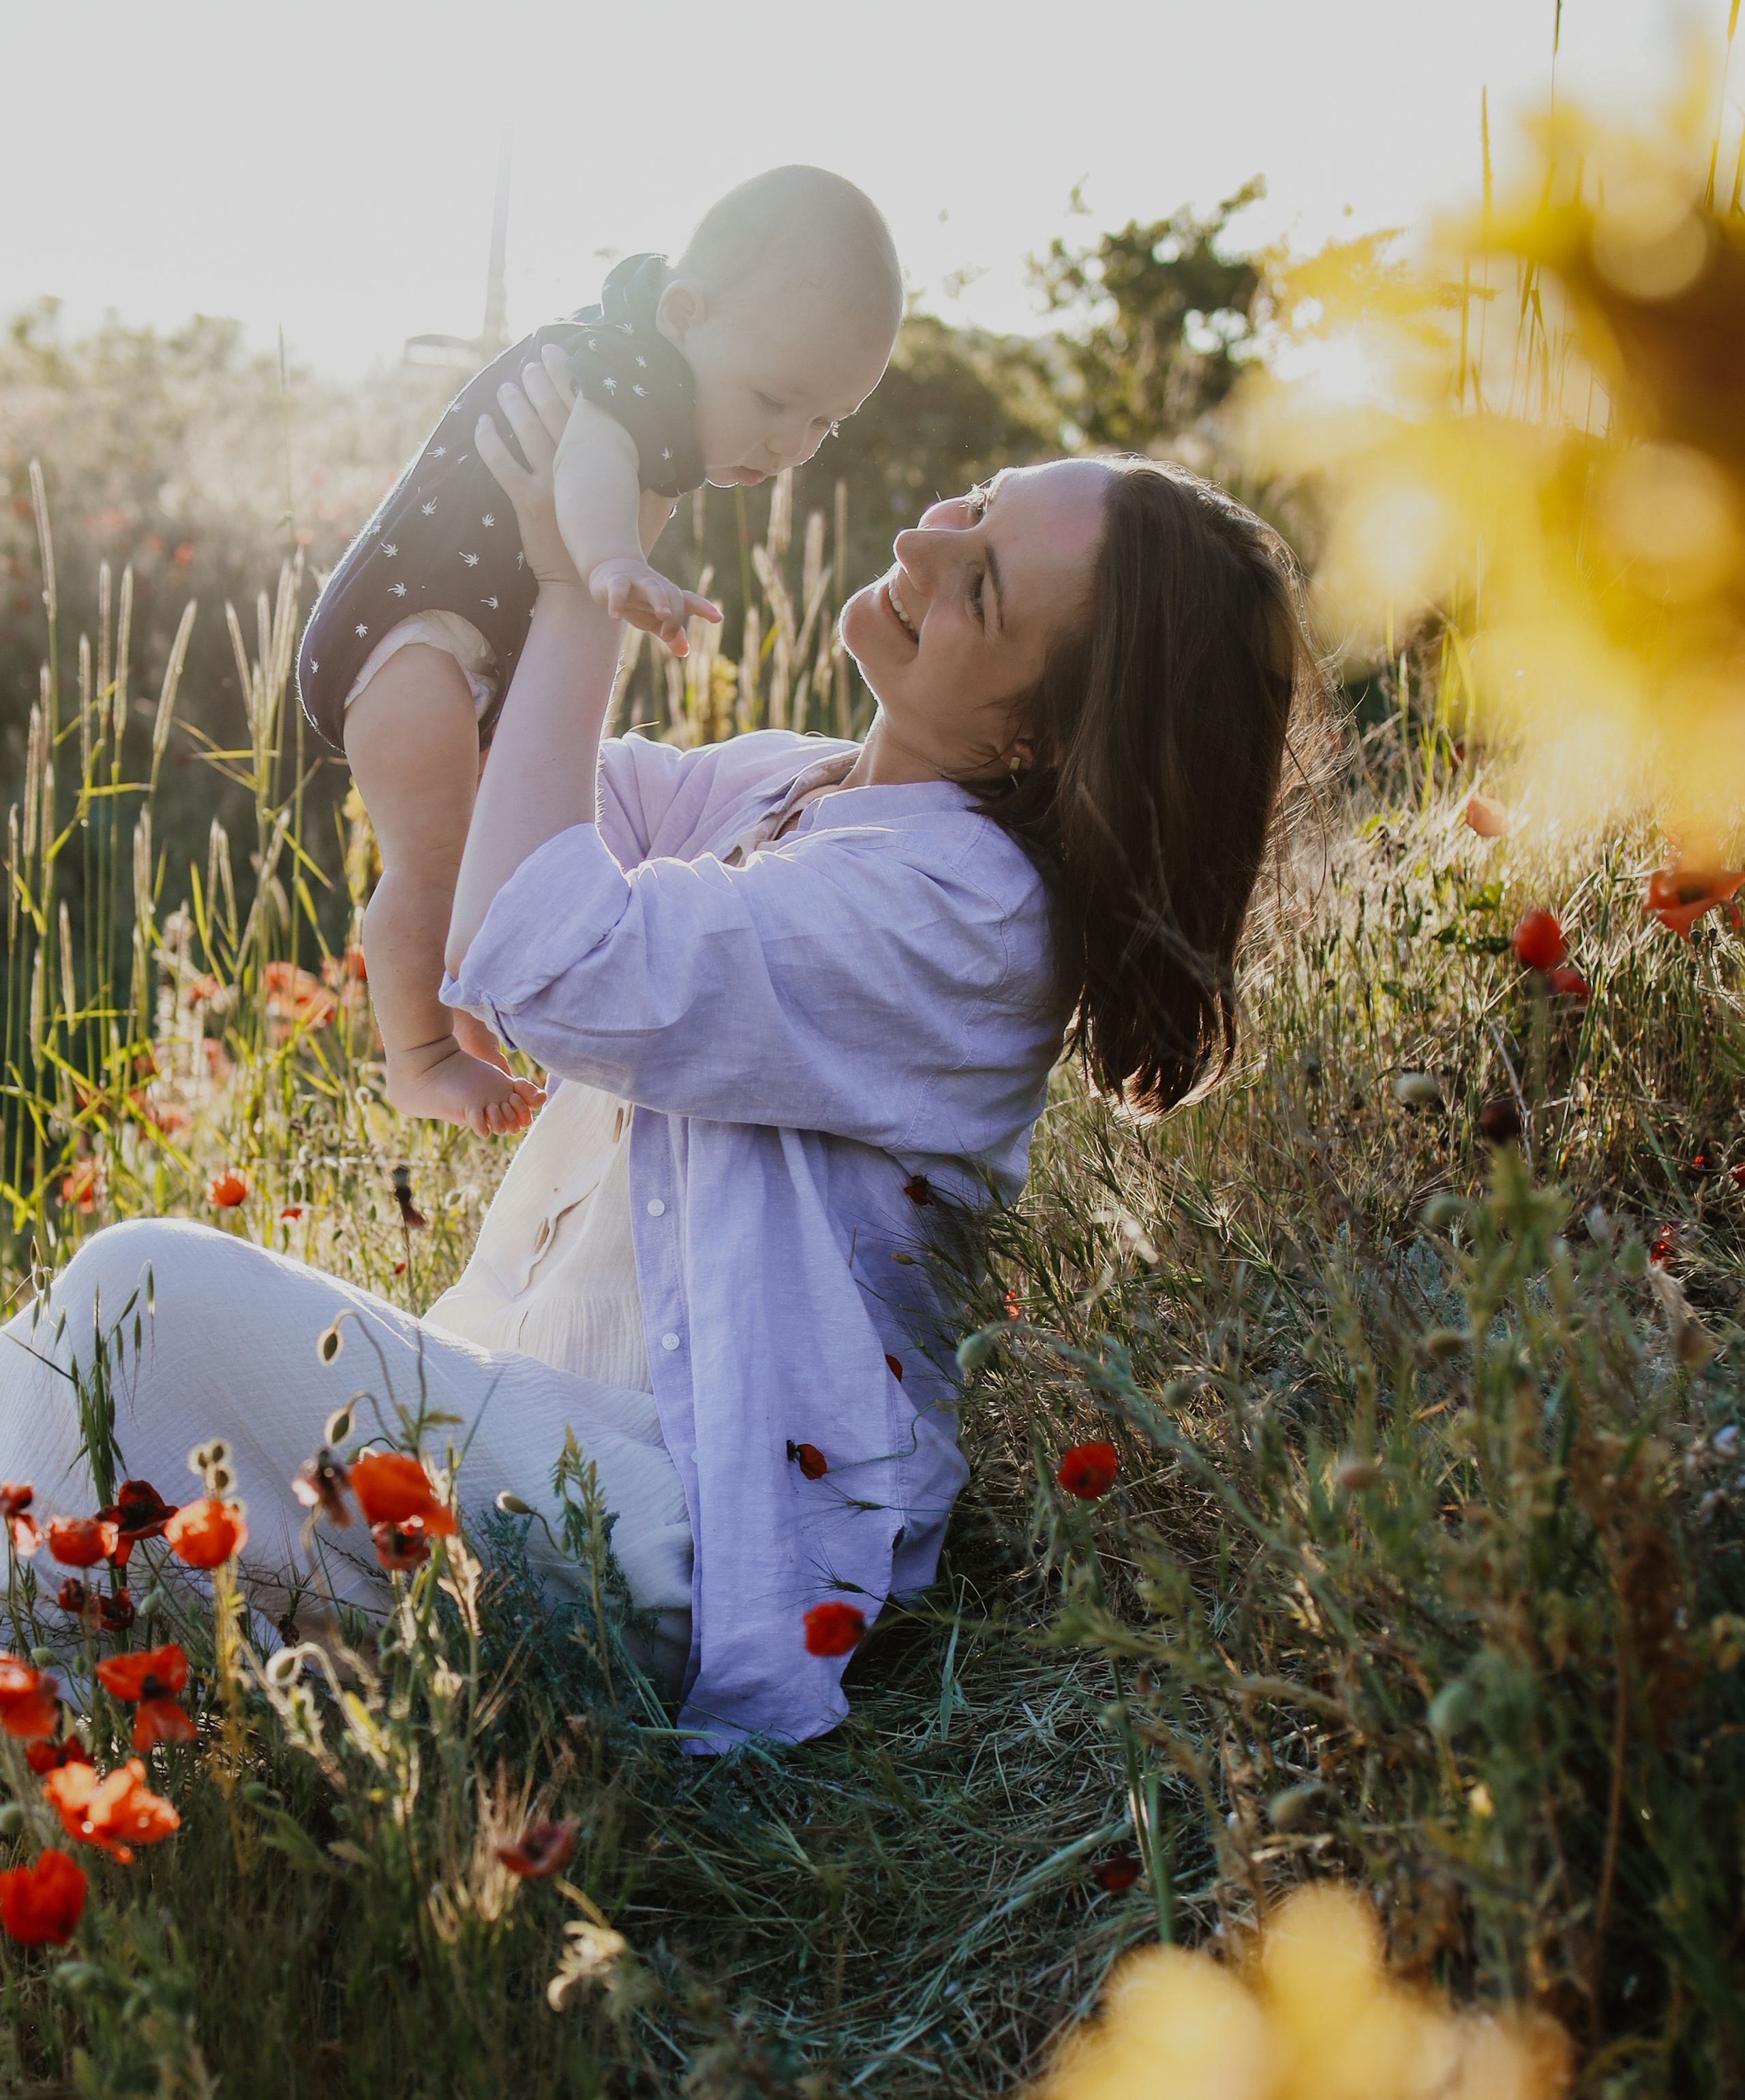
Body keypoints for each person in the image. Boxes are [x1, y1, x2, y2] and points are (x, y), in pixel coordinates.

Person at [1, 357, 1311, 1752]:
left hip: (675, 1537)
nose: (922, 543)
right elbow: (500, 797)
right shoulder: (790, 787)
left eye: (980, 581)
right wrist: (585, 478)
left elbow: (542, 948)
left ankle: (55, 1778)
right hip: (515, 1422)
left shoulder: (964, 914)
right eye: (973, 503)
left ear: (1040, 735)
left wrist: (582, 591)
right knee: (76, 1389)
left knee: (136, 1297)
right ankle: (92, 1751)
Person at [297, 165, 902, 1138]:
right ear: (686, 313)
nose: (791, 441)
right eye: (774, 398)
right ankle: (416, 1056)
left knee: (485, 848)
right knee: (435, 850)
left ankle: (463, 1011)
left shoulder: (670, 366)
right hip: (402, 635)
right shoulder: (627, 368)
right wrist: (611, 561)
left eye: (826, 421)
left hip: (469, 643)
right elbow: (586, 460)